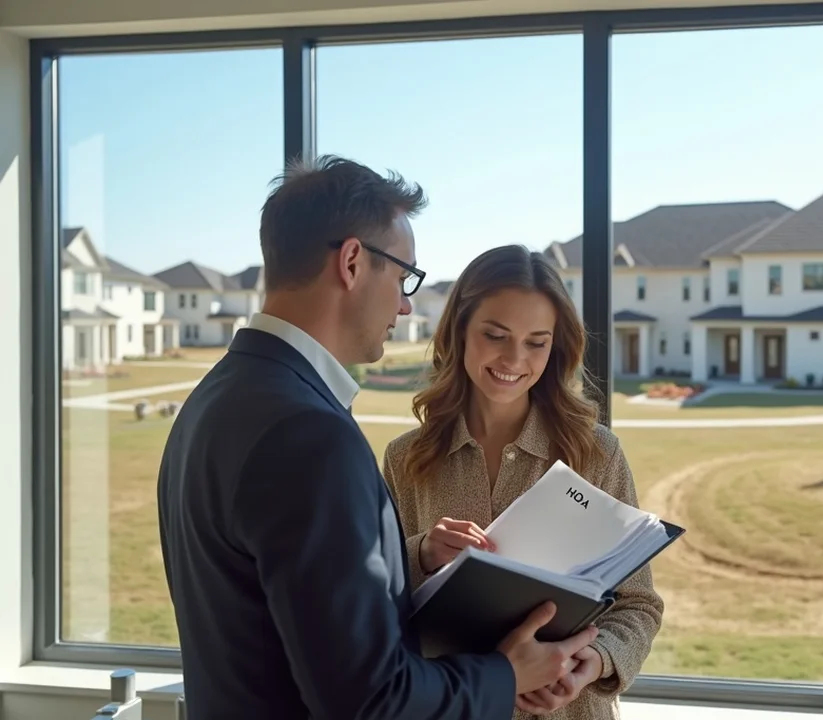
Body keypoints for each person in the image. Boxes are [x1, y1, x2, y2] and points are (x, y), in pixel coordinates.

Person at [156, 156, 598, 720]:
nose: (406, 303)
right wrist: (506, 674)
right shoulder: (309, 434)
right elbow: (369, 699)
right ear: (352, 261)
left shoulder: (213, 400)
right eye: (402, 275)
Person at [382, 244, 664, 719]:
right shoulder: (406, 458)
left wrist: (588, 664)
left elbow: (638, 607)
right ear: (459, 331)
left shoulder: (596, 452)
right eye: (495, 335)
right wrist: (422, 553)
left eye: (536, 341)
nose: (515, 358)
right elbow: (377, 604)